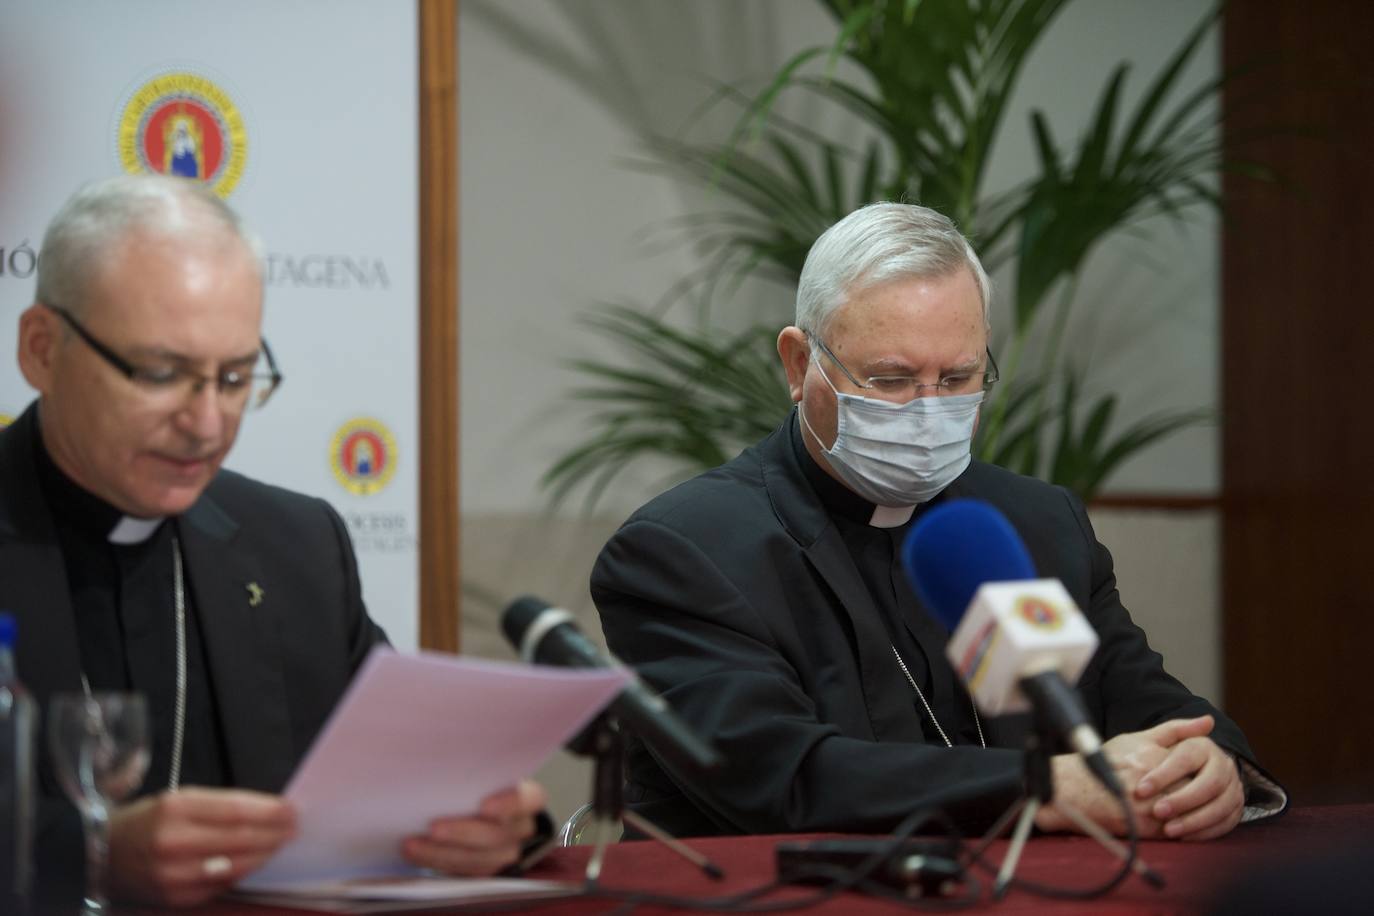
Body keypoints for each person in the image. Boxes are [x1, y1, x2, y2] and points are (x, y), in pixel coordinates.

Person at [591, 202, 1286, 842]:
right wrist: (1049, 787)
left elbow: (1134, 699)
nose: (927, 410)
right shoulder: (687, 553)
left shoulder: (1025, 525)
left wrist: (1208, 763)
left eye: (956, 379)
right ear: (800, 365)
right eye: (890, 380)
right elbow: (785, 779)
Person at [0, 174, 547, 906]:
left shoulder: (297, 547)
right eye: (162, 374)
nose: (205, 422)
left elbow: (401, 780)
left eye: (233, 377)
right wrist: (88, 856)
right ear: (41, 349)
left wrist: (489, 824)